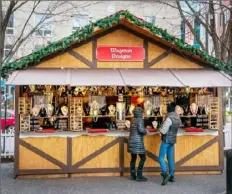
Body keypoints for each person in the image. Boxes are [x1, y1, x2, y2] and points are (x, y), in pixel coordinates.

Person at [158, 102, 181, 185]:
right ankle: (171, 176)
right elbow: (177, 129)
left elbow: (163, 130)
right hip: (172, 140)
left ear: (168, 110)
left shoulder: (169, 118)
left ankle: (165, 174)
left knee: (160, 157)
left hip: (166, 140)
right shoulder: (178, 117)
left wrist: (159, 130)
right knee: (170, 158)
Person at [128, 106, 149, 182]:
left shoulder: (132, 120)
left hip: (131, 141)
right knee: (143, 158)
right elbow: (141, 130)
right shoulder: (140, 120)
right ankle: (139, 175)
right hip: (138, 142)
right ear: (140, 113)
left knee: (133, 158)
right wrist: (146, 131)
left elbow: (131, 129)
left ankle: (133, 175)